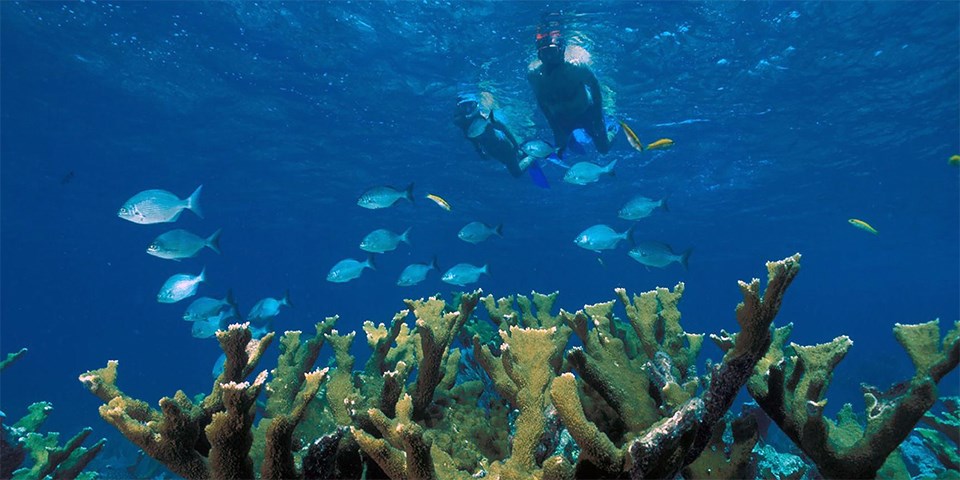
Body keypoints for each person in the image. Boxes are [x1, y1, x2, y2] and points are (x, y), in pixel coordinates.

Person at [527, 18, 612, 158]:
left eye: (552, 52)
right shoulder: (535, 75)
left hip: (587, 113)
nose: (549, 58)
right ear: (539, 55)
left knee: (604, 148)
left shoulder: (576, 67)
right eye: (544, 53)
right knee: (560, 151)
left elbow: (595, 86)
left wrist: (597, 116)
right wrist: (554, 127)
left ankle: (612, 128)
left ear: (562, 51)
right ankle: (570, 138)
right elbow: (541, 102)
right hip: (561, 119)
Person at [452, 93, 526, 177]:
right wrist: (480, 151)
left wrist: (516, 146)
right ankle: (522, 155)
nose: (468, 109)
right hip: (491, 151)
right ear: (459, 108)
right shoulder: (464, 124)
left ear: (476, 104)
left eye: (470, 104)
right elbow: (473, 139)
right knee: (509, 164)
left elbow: (505, 129)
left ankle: (531, 156)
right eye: (464, 106)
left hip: (504, 146)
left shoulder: (485, 118)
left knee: (516, 173)